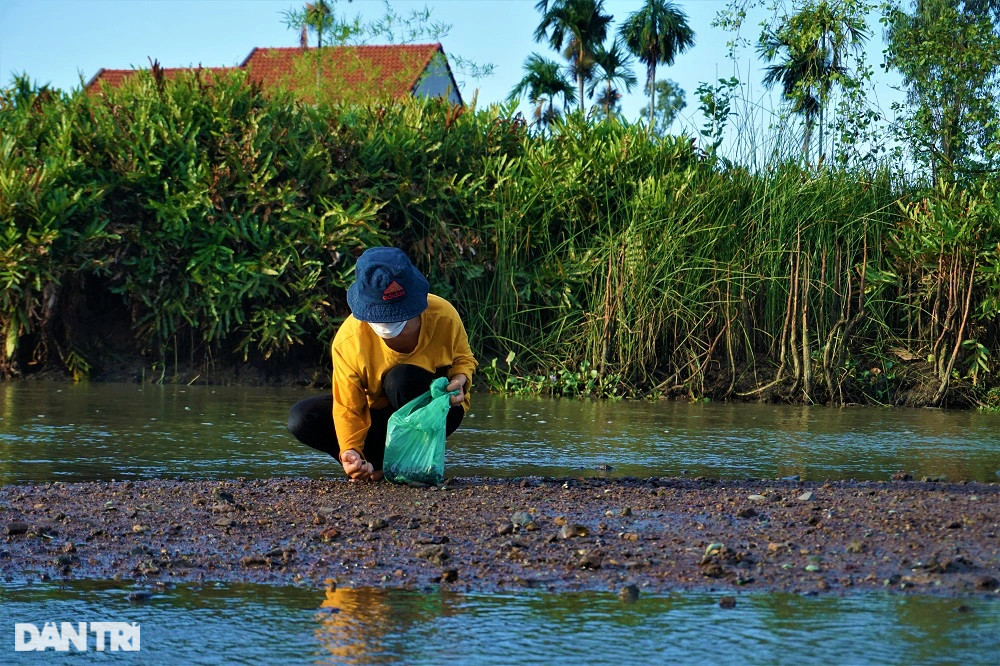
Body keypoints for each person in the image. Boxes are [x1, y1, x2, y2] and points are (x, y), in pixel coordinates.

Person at [288, 246, 476, 481]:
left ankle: (411, 462)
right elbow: (348, 406)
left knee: (401, 379)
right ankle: (373, 466)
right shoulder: (349, 340)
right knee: (302, 417)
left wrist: (461, 379)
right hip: (379, 421)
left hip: (432, 415)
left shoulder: (443, 315)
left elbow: (463, 359)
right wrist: (351, 451)